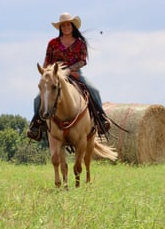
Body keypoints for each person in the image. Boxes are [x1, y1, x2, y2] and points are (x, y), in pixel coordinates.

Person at [27, 12, 110, 141]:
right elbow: (47, 60)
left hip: (75, 74)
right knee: (38, 98)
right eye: (63, 25)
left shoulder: (80, 43)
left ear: (72, 26)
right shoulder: (52, 43)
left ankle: (101, 119)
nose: (66, 27)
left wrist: (70, 70)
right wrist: (44, 74)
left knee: (94, 90)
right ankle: (36, 125)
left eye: (68, 25)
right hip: (54, 76)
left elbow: (83, 61)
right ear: (60, 28)